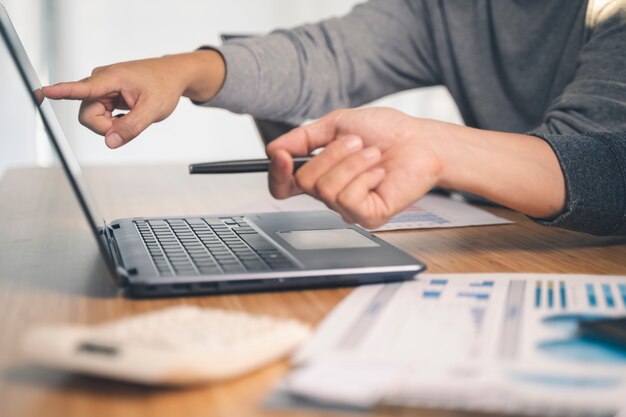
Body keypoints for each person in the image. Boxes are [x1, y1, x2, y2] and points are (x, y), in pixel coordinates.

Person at [42, 0, 626, 235]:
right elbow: (326, 56)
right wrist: (184, 70)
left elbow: (608, 162)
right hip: (524, 256)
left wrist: (434, 149)